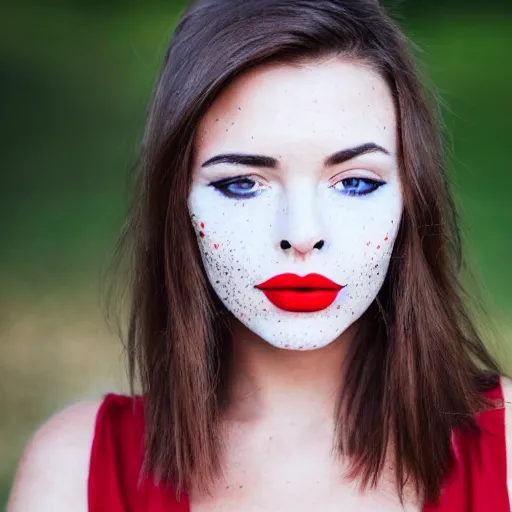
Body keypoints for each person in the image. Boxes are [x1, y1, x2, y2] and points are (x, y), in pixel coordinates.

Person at [7, 0, 512, 510]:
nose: (302, 234)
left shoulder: (507, 448)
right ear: (178, 202)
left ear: (411, 197)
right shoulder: (74, 471)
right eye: (243, 184)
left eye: (356, 182)